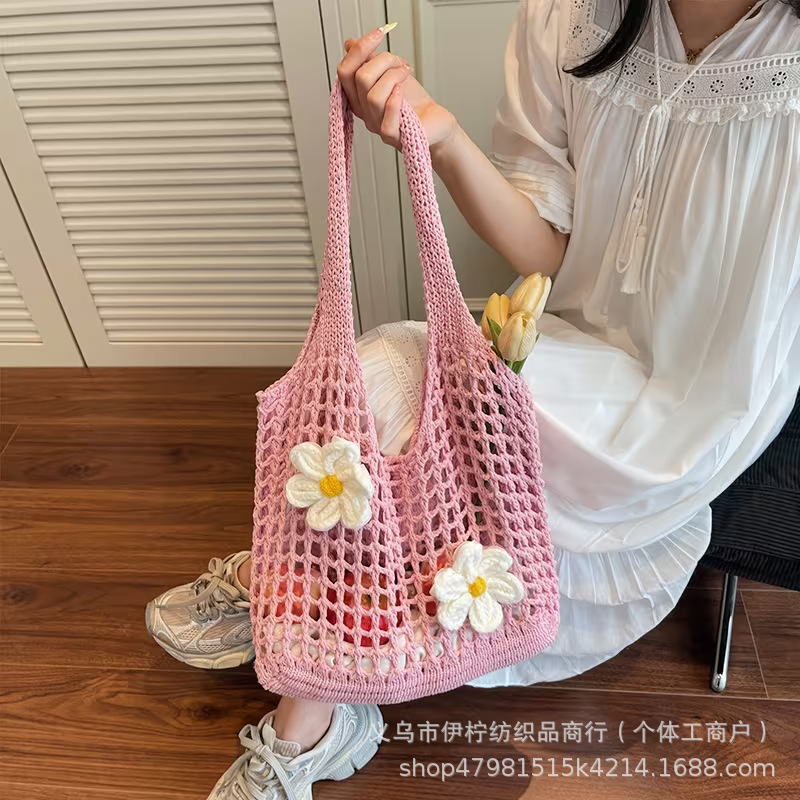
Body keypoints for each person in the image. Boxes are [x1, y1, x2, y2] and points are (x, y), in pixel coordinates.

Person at [145, 1, 800, 797]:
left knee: (401, 407)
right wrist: (443, 136)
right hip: (572, 338)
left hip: (704, 400)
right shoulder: (573, 13)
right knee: (380, 373)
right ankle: (308, 623)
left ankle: (302, 683)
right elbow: (549, 251)